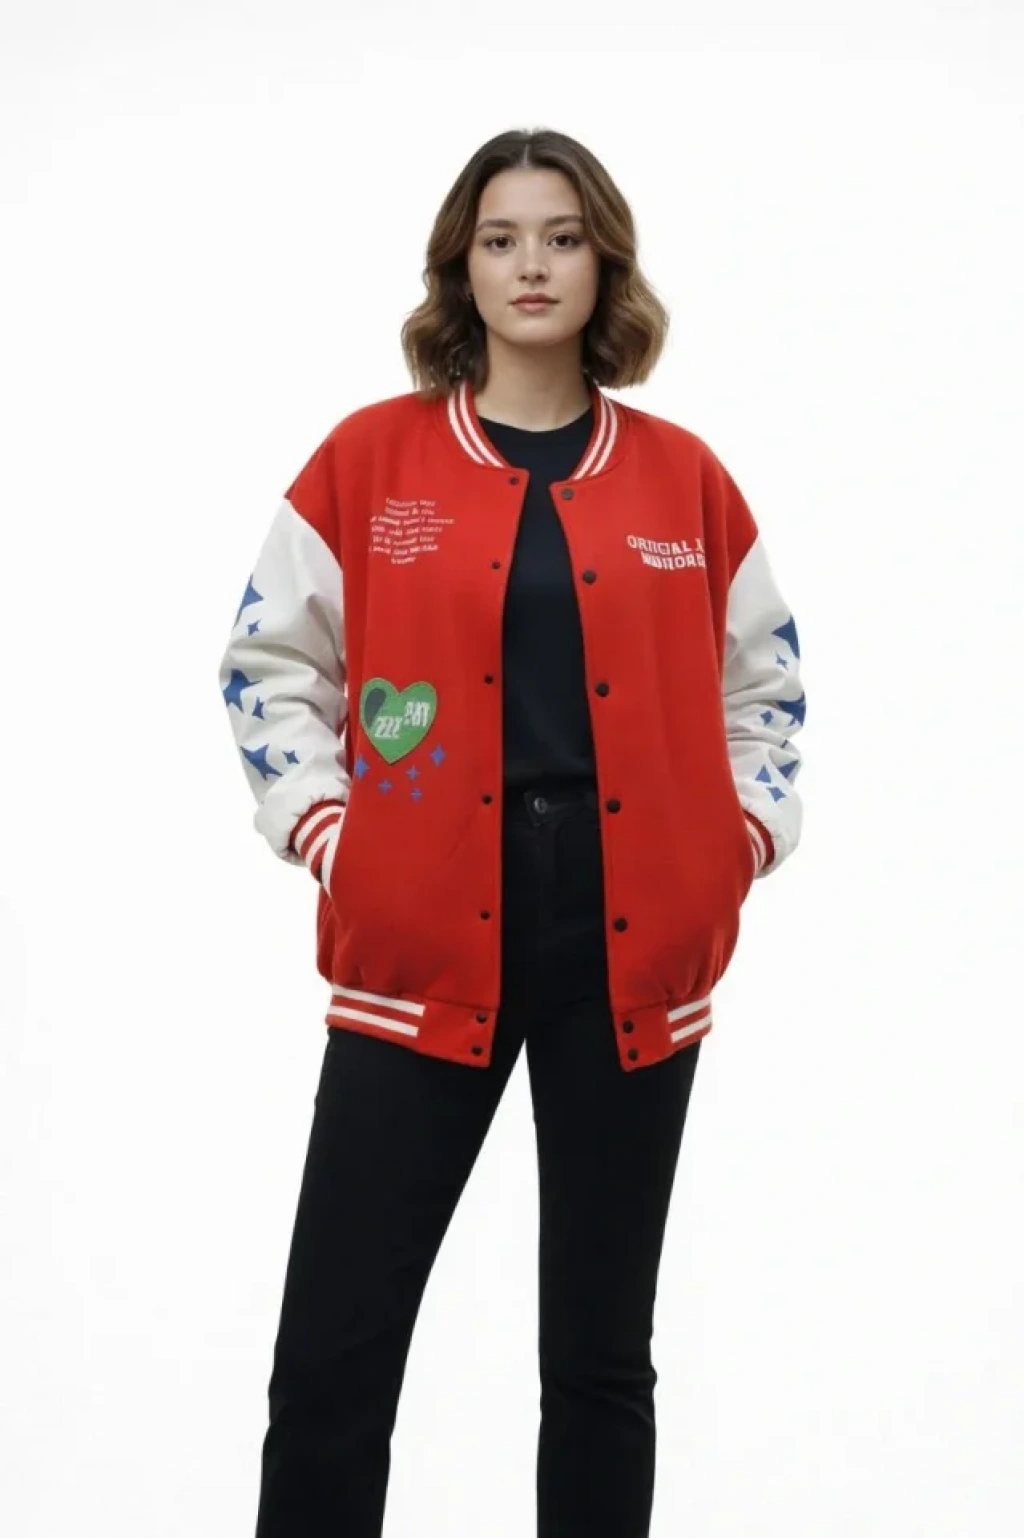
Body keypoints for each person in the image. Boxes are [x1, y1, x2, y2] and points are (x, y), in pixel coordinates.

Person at [218, 126, 806, 1538]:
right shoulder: (370, 461)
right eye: (500, 239)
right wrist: (335, 837)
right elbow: (266, 662)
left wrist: (729, 848)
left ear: (603, 261)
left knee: (601, 1357)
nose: (530, 264)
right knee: (334, 1352)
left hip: (630, 945)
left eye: (559, 235)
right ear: (462, 268)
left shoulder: (686, 478)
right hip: (417, 934)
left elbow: (768, 690)